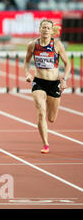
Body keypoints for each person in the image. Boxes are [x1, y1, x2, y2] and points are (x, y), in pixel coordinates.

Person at [24, 19, 70, 154]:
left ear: (51, 30)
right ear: (39, 29)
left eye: (48, 28)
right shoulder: (33, 44)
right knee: (40, 112)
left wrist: (64, 80)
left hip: (54, 83)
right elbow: (26, 62)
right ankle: (45, 144)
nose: (45, 30)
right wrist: (27, 73)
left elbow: (67, 64)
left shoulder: (57, 45)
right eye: (43, 27)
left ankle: (47, 137)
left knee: (51, 118)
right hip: (39, 82)